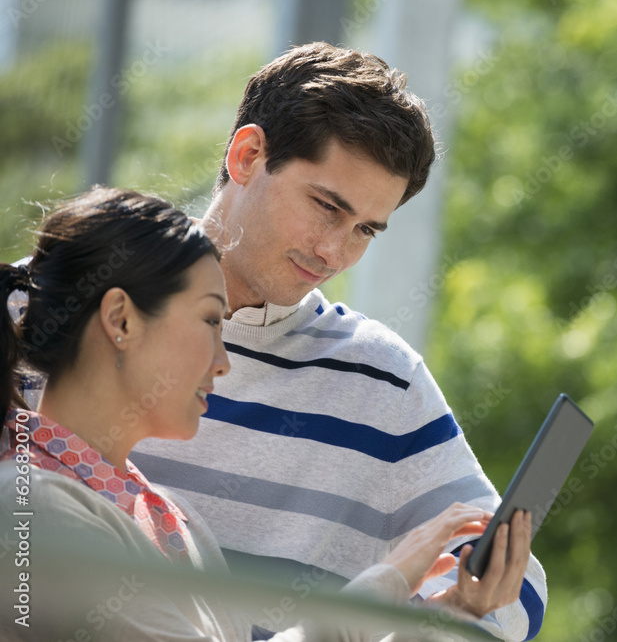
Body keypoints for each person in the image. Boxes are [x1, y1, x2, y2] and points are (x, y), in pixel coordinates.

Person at [121, 43, 546, 641]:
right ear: (246, 156)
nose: (334, 252)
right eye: (326, 206)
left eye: (366, 229)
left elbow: (519, 593)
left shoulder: (382, 379)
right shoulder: (54, 311)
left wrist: (448, 614)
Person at [0, 186, 531, 641]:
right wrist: (387, 581)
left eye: (366, 228)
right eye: (210, 320)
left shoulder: (169, 517)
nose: (224, 361)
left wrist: (449, 616)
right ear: (120, 319)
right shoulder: (33, 509)